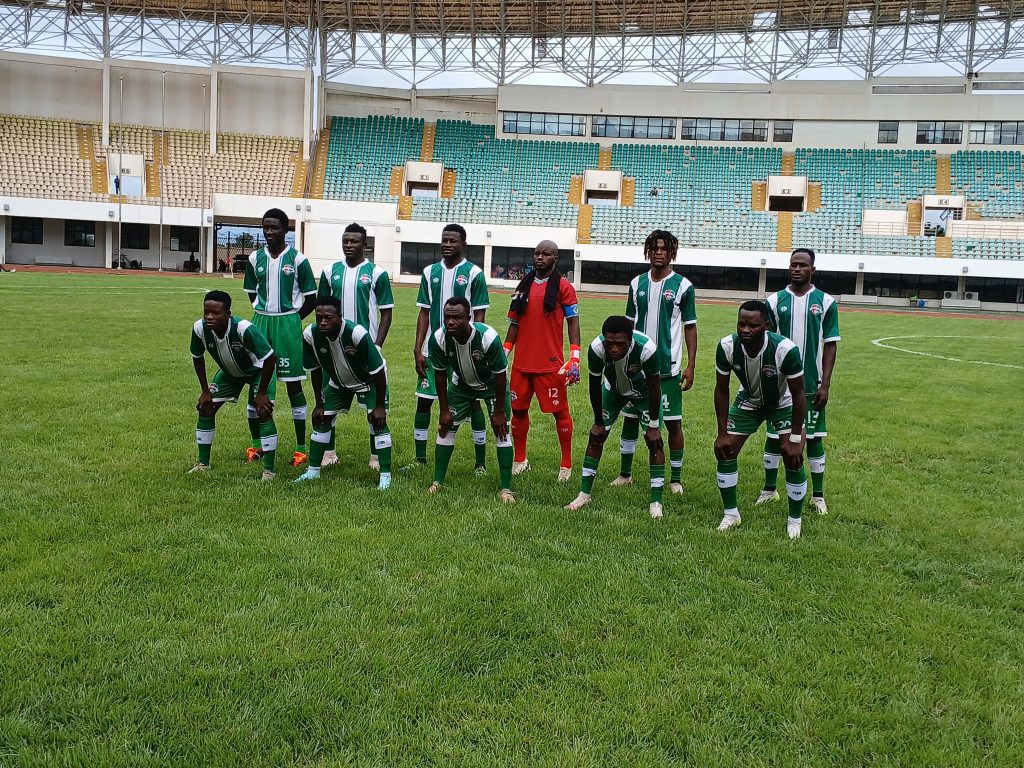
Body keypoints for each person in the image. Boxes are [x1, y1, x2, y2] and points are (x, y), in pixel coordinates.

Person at [611, 229, 697, 497]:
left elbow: (690, 327)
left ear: (672, 252)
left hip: (667, 368)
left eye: (664, 248)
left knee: (672, 423)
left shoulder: (683, 286)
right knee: (630, 419)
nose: (659, 252)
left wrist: (691, 365)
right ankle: (625, 474)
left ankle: (676, 478)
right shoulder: (636, 283)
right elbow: (627, 325)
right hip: (636, 367)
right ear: (648, 251)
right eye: (655, 248)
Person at [713, 300, 807, 539]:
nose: (745, 330)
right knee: (725, 450)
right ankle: (731, 514)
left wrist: (796, 438)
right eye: (741, 324)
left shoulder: (785, 349)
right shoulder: (727, 346)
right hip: (750, 401)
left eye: (752, 326)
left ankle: (794, 521)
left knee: (792, 456)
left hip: (784, 403)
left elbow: (799, 395)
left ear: (766, 326)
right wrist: (722, 433)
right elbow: (721, 389)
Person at [757, 248, 840, 515]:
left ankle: (818, 496)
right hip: (780, 386)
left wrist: (825, 384)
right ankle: (769, 490)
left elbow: (830, 344)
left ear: (812, 269)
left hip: (811, 384)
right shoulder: (774, 301)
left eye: (803, 265)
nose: (797, 269)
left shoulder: (826, 302)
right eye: (794, 264)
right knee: (774, 437)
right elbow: (766, 342)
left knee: (813, 438)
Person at [565, 316, 666, 519]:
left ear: (630, 339)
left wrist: (654, 425)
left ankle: (656, 501)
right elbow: (595, 385)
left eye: (620, 344)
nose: (614, 349)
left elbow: (655, 387)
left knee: (654, 442)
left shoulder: (647, 349)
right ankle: (584, 494)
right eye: (609, 343)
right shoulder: (597, 348)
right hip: (613, 391)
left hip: (644, 393)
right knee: (596, 437)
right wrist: (598, 422)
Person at [409, 224, 490, 472]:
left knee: (473, 403)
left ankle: (480, 463)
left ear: (463, 244)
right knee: (424, 401)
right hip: (432, 350)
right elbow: (424, 312)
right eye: (444, 240)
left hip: (463, 352)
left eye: (453, 241)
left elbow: (480, 315)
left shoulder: (474, 273)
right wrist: (418, 348)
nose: (447, 244)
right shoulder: (429, 272)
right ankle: (419, 459)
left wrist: (476, 350)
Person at [243, 208, 317, 467]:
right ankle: (257, 444)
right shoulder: (255, 258)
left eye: (274, 227)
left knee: (293, 384)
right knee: (256, 383)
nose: (269, 232)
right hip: (261, 322)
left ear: (285, 229)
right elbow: (251, 292)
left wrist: (293, 320)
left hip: (288, 324)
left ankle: (300, 447)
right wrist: (263, 310)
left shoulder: (298, 260)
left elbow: (311, 298)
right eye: (265, 227)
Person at [316, 222, 394, 471]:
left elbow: (386, 313)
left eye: (354, 241)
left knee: (374, 405)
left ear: (364, 245)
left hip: (364, 350)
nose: (349, 245)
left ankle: (375, 457)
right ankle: (328, 453)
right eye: (345, 241)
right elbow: (321, 308)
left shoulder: (377, 273)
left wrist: (377, 345)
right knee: (328, 402)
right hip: (333, 348)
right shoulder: (330, 271)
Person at [294, 297, 393, 490]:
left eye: (328, 317)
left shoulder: (356, 333)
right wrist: (319, 404)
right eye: (319, 317)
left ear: (340, 317)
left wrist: (380, 406)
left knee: (378, 422)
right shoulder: (310, 334)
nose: (323, 322)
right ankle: (313, 472)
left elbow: (378, 371)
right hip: (338, 383)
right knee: (322, 419)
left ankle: (385, 476)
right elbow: (315, 370)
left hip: (370, 382)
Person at [502, 239, 581, 482]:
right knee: (518, 411)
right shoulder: (523, 285)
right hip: (522, 364)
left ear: (555, 258)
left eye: (546, 254)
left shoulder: (564, 287)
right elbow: (514, 323)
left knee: (560, 413)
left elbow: (573, 322)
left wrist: (575, 356)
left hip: (550, 364)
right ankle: (520, 460)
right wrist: (504, 353)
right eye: (537, 253)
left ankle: (566, 464)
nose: (539, 257)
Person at [427, 298, 515, 503]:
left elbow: (501, 375)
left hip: (492, 385)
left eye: (456, 317)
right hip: (462, 385)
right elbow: (439, 374)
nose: (450, 322)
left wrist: (499, 412)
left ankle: (506, 489)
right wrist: (444, 409)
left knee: (502, 431)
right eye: (447, 317)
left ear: (468, 318)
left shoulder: (487, 338)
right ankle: (437, 482)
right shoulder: (439, 338)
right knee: (446, 428)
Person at [188, 290, 278, 480]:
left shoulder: (243, 329)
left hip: (258, 371)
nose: (209, 317)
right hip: (230, 374)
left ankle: (269, 470)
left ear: (228, 314)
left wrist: (262, 393)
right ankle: (203, 464)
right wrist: (205, 391)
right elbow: (197, 357)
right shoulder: (199, 328)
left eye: (216, 313)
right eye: (206, 312)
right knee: (205, 407)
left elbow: (270, 358)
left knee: (263, 411)